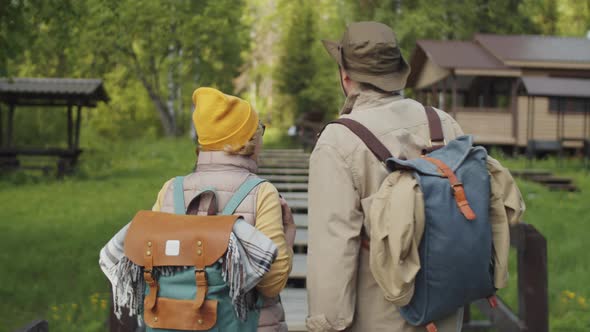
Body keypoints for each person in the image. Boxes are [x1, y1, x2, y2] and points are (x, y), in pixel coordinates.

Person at [306, 22, 523, 332]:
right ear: (398, 73)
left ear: (346, 75)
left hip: (379, 317)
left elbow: (333, 249)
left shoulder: (338, 141)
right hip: (445, 311)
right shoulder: (442, 123)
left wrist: (325, 324)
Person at [101, 87, 295, 332]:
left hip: (173, 324)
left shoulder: (172, 190)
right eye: (260, 130)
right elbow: (271, 284)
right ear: (249, 140)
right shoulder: (261, 193)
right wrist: (288, 235)